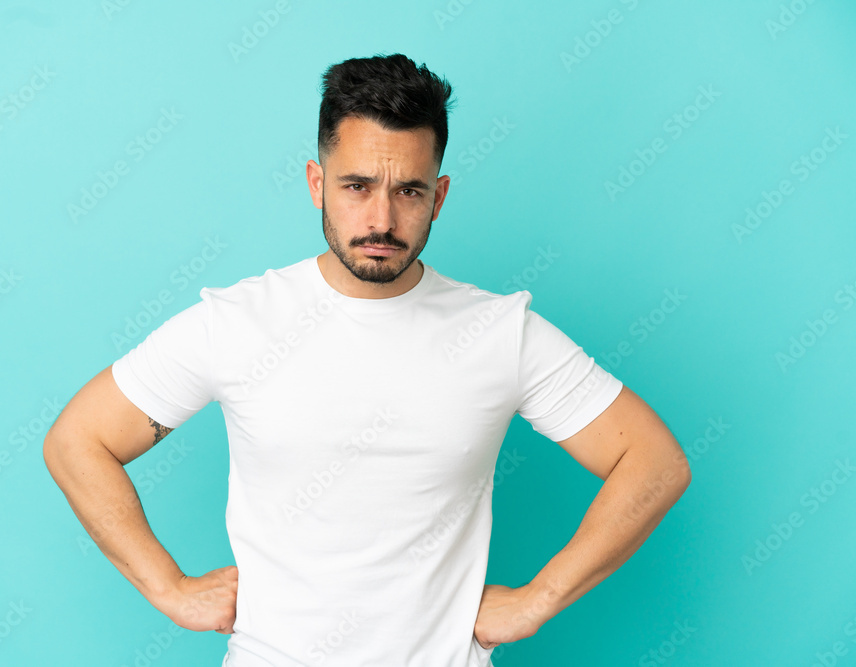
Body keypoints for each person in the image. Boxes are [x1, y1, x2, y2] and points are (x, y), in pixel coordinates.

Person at [43, 52, 691, 667]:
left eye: (408, 191)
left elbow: (655, 464)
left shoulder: (498, 332)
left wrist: (538, 600)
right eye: (357, 186)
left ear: (438, 197)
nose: (380, 217)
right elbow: (79, 440)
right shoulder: (238, 322)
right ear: (316, 183)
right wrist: (169, 587)